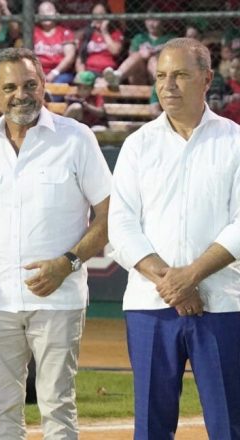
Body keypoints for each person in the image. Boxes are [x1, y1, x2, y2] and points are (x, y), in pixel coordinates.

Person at [0, 48, 111, 439]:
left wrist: (67, 263)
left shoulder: (76, 138)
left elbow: (110, 215)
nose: (20, 95)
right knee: (1, 409)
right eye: (9, 87)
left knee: (57, 407)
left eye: (29, 85)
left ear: (43, 85)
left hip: (59, 298)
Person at [108, 38, 240, 439]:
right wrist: (173, 284)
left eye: (180, 75)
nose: (168, 86)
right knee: (150, 427)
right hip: (150, 305)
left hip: (223, 304)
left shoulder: (234, 141)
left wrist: (192, 276)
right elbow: (121, 225)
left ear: (207, 79)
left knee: (230, 425)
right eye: (161, 75)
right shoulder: (138, 145)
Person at [103, 15, 175, 88]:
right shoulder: (139, 38)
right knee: (137, 55)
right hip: (140, 75)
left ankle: (162, 83)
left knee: (153, 60)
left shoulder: (170, 39)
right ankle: (117, 76)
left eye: (155, 20)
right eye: (148, 20)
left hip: (157, 73)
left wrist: (153, 54)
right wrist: (143, 55)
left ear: (162, 21)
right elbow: (131, 59)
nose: (151, 24)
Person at [75, 2, 123, 78]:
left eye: (101, 14)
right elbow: (80, 58)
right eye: (95, 14)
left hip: (108, 71)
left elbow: (115, 51)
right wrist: (83, 75)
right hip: (89, 71)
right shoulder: (87, 33)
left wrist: (104, 31)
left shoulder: (115, 33)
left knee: (106, 77)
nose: (98, 17)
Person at [33, 1, 76, 84]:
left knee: (59, 82)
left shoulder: (65, 32)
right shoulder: (33, 32)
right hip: (38, 72)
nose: (45, 14)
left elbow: (70, 56)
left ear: (57, 14)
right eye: (42, 12)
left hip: (61, 72)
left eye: (49, 11)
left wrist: (54, 73)